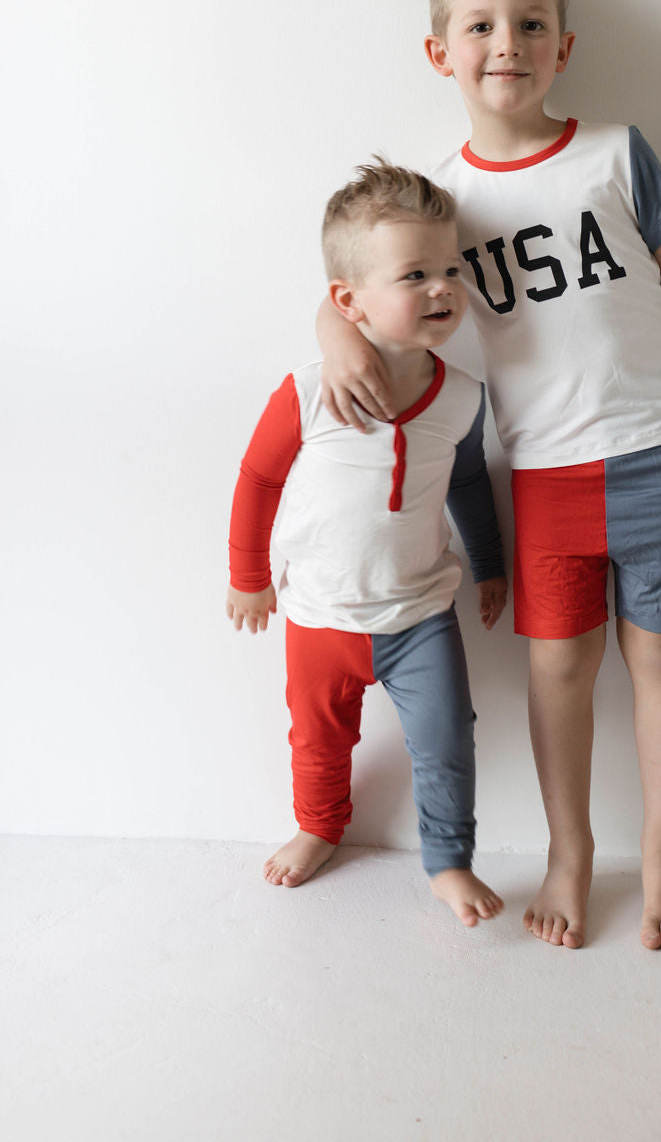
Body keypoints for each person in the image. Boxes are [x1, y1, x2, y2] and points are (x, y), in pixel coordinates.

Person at [317, 0, 661, 950]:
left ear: (563, 43)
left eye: (529, 23)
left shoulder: (616, 153)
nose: (505, 44)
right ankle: (570, 854)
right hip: (545, 468)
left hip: (658, 446)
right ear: (441, 52)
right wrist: (327, 331)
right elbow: (366, 267)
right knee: (560, 667)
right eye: (479, 25)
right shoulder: (449, 201)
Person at [227, 161, 507, 928]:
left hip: (420, 615)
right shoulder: (308, 391)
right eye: (414, 274)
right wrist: (249, 576)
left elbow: (469, 484)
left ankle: (449, 860)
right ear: (347, 300)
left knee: (447, 740)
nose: (441, 287)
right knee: (318, 738)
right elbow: (257, 478)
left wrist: (490, 564)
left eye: (450, 269)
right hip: (320, 613)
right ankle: (319, 826)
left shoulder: (462, 398)